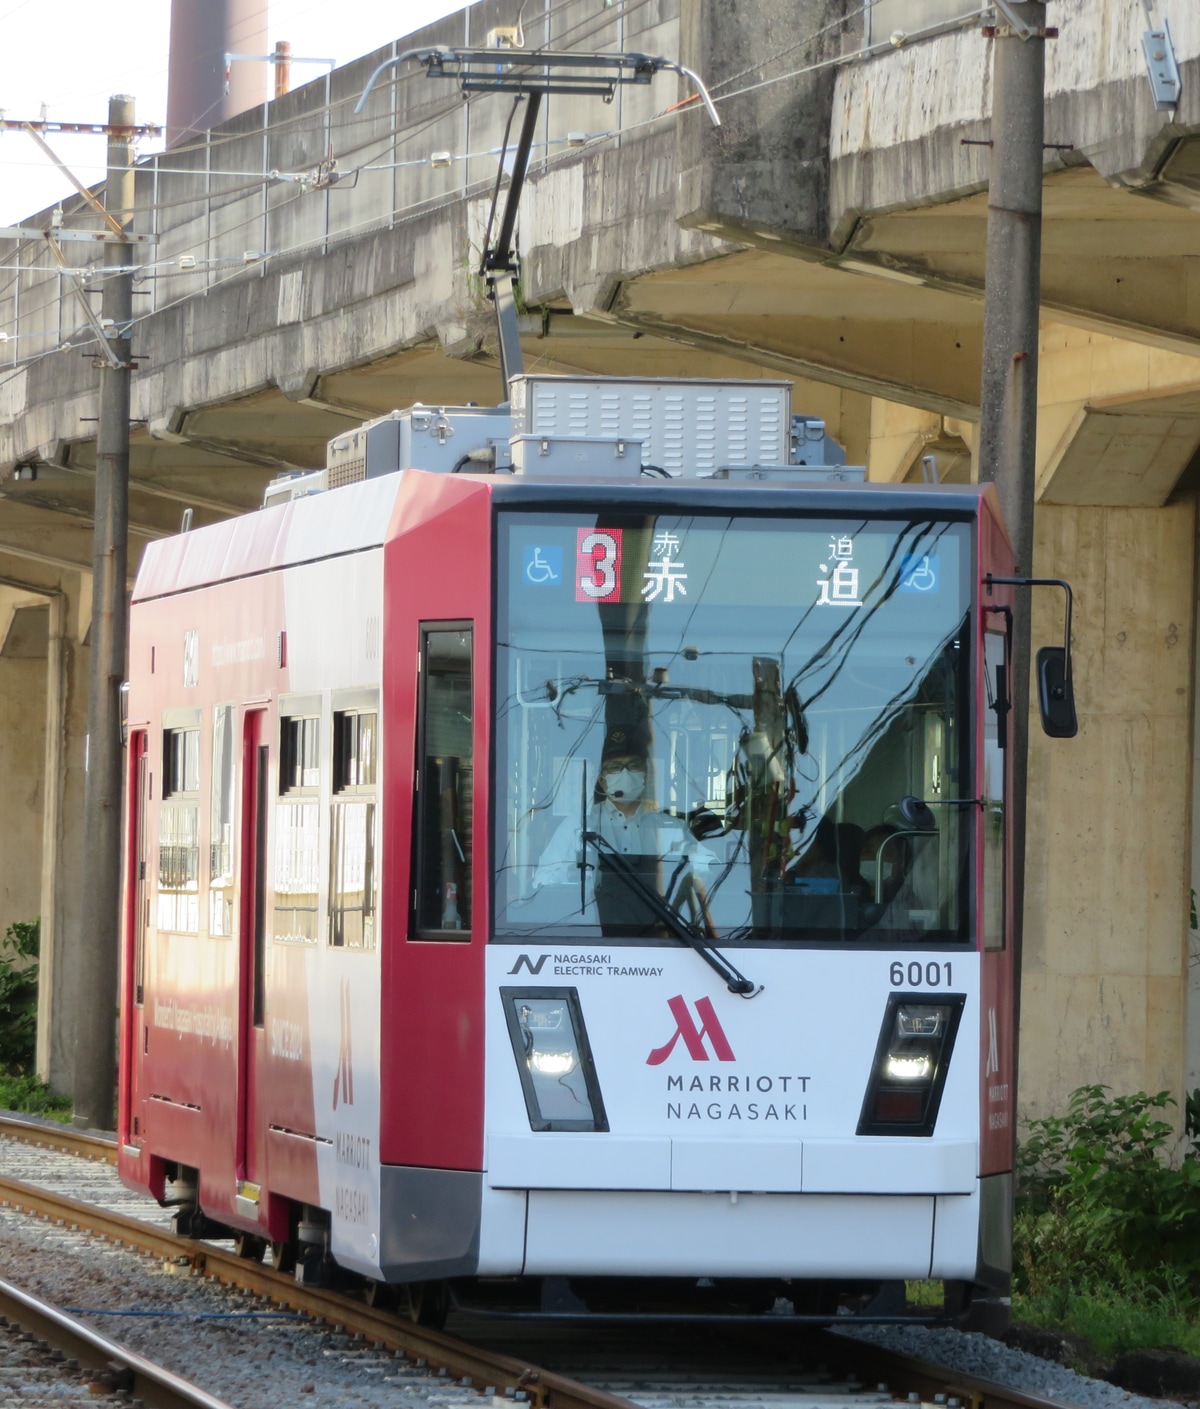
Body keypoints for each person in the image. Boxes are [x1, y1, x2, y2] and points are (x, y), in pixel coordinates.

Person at [535, 724, 718, 934]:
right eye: (614, 767)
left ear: (645, 775)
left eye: (633, 766)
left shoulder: (670, 826)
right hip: (593, 931)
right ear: (602, 780)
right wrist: (574, 882)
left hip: (662, 933)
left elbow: (707, 865)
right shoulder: (577, 825)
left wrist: (700, 866)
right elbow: (543, 880)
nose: (625, 773)